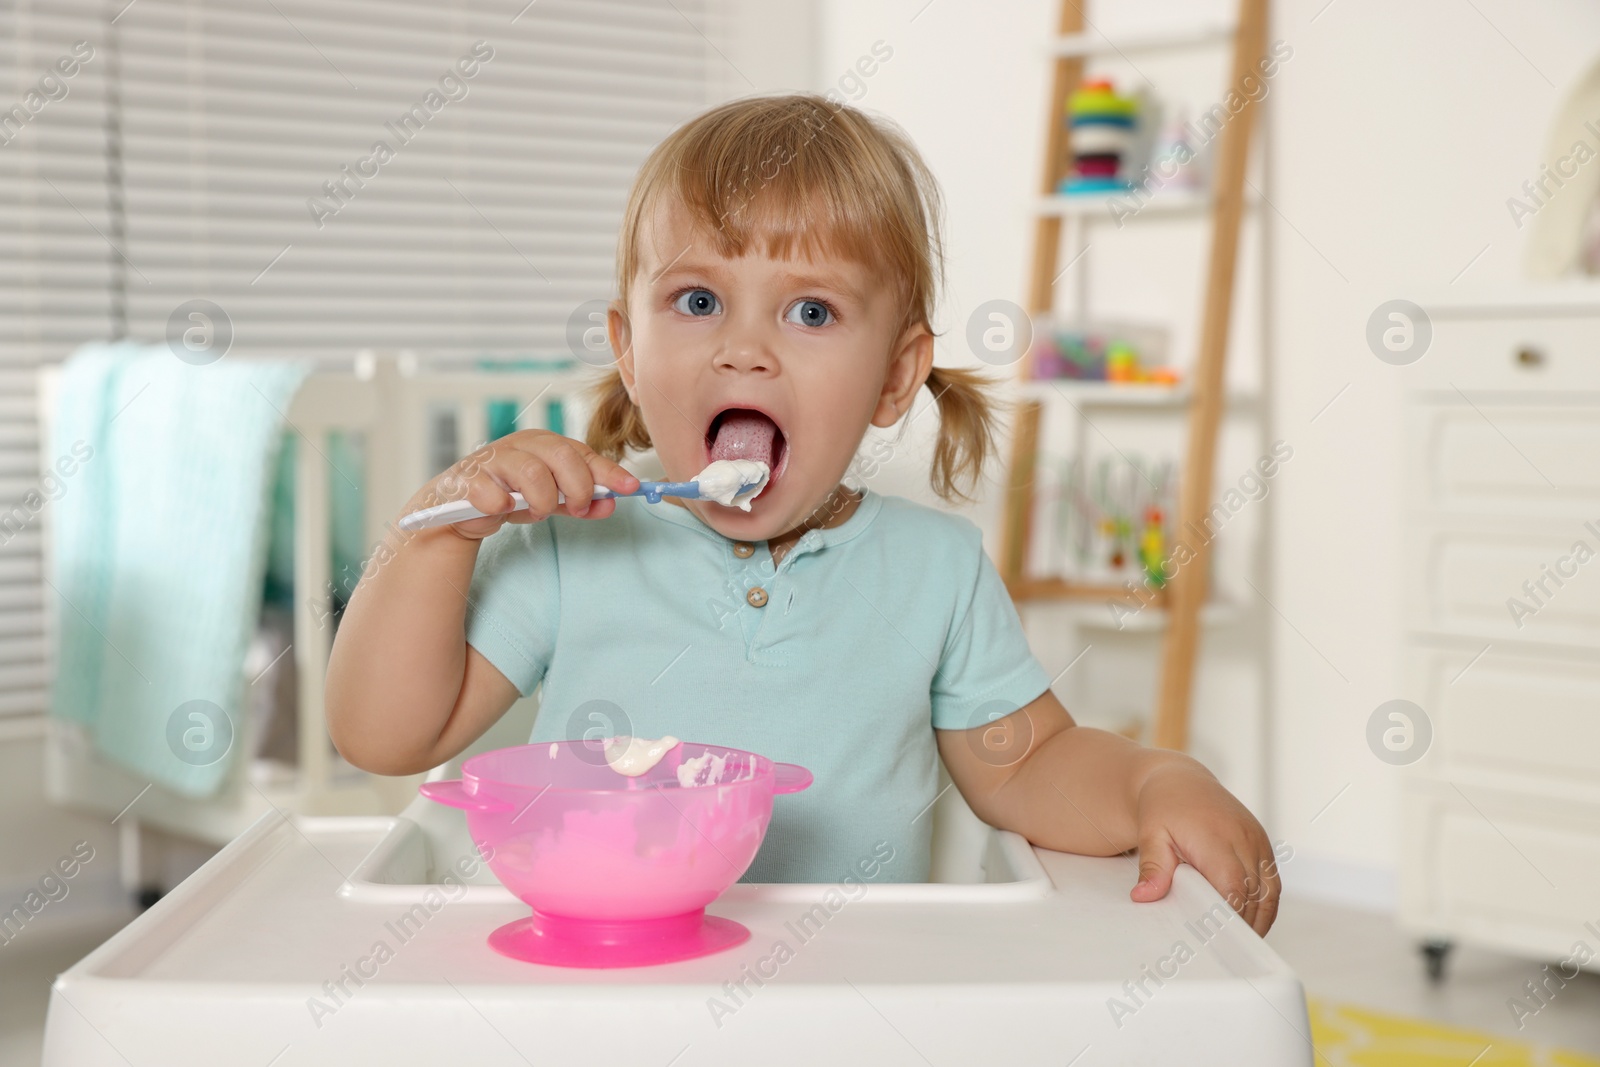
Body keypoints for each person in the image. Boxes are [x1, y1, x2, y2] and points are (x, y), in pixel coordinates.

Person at [325, 92, 1281, 935]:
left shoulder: (936, 571)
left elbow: (1036, 765)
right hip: (608, 980)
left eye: (811, 313)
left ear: (896, 374)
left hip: (846, 1006)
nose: (744, 351)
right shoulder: (576, 547)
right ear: (627, 346)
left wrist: (1155, 781)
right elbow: (384, 735)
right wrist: (437, 531)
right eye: (698, 299)